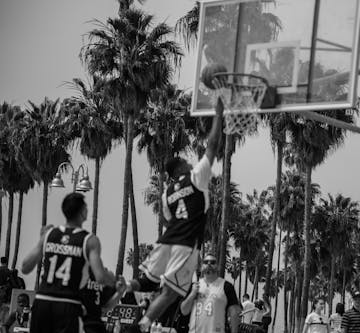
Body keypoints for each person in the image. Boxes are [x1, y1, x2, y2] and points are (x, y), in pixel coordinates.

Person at [124, 99, 224, 332]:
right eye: (186, 162)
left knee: (147, 282)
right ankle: (142, 326)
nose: (191, 162)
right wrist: (218, 116)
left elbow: (168, 220)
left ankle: (125, 285)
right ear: (180, 168)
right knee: (171, 292)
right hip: (185, 243)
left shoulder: (166, 193)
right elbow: (213, 145)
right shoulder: (196, 176)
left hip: (166, 240)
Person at [21, 192, 116, 333]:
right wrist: (112, 279)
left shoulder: (49, 234)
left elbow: (25, 267)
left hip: (42, 300)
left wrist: (42, 241)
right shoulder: (89, 240)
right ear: (83, 212)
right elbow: (100, 277)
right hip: (67, 303)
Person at [180, 253, 241, 333]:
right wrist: (192, 294)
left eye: (212, 262)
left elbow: (234, 313)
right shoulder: (194, 286)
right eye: (206, 262)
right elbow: (184, 311)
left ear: (218, 267)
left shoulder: (226, 286)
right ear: (202, 267)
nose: (209, 264)